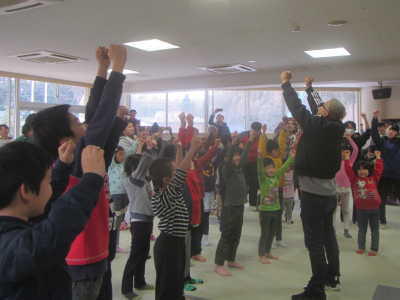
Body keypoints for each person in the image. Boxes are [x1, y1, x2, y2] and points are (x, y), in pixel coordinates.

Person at [0, 141, 106, 300]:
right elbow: (52, 234)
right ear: (26, 191)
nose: (51, 188)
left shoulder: (16, 222)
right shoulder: (13, 246)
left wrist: (62, 166)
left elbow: (42, 198)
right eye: (48, 181)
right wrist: (91, 180)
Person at [281, 72, 346, 300]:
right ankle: (332, 275)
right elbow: (318, 108)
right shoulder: (335, 127)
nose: (320, 106)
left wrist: (286, 84)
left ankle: (316, 289)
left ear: (326, 113)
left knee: (314, 242)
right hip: (328, 194)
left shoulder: (316, 126)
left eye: (323, 106)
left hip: (313, 195)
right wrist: (310, 89)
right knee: (328, 236)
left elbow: (296, 108)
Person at [150, 135, 202, 300]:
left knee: (175, 282)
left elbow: (178, 169)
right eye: (174, 173)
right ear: (167, 180)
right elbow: (181, 172)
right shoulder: (165, 195)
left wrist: (179, 149)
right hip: (168, 245)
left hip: (175, 243)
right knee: (168, 286)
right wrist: (192, 149)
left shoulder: (168, 190)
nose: (178, 173)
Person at [214, 132, 255, 277]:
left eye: (238, 155)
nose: (237, 157)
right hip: (229, 208)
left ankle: (231, 259)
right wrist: (233, 143)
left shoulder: (239, 169)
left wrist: (249, 142)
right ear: (229, 158)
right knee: (227, 234)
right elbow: (229, 159)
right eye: (234, 156)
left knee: (236, 234)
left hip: (239, 206)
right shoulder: (228, 170)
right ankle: (219, 264)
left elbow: (244, 158)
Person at [121, 137, 157, 299]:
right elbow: (146, 162)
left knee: (143, 253)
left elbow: (148, 164)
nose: (146, 169)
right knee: (136, 254)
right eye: (143, 167)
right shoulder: (133, 180)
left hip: (147, 220)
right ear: (136, 168)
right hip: (139, 222)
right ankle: (126, 288)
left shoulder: (143, 181)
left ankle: (140, 282)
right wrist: (148, 148)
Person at [257, 148, 295, 264]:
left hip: (276, 209)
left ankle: (268, 252)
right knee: (265, 233)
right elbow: (259, 170)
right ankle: (261, 254)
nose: (271, 170)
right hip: (265, 211)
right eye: (268, 168)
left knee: (272, 232)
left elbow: (283, 168)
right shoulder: (263, 179)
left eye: (272, 168)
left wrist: (291, 158)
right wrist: (259, 159)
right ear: (264, 170)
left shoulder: (276, 176)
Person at [344, 150, 383, 256]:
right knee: (362, 229)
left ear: (369, 170)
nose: (362, 171)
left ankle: (374, 248)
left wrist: (378, 158)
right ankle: (361, 247)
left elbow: (378, 170)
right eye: (359, 170)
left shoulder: (373, 178)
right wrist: (347, 158)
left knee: (375, 229)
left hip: (375, 208)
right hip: (361, 209)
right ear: (356, 171)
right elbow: (348, 170)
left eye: (365, 169)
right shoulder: (354, 179)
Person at [258, 124, 288, 247]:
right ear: (270, 151)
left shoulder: (279, 157)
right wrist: (263, 133)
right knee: (268, 218)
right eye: (275, 151)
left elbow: (281, 144)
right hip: (268, 191)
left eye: (277, 150)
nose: (277, 152)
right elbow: (262, 147)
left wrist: (282, 132)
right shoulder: (267, 158)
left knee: (278, 215)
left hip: (279, 189)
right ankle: (266, 239)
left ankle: (279, 239)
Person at [371, 111, 400, 223]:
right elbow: (374, 134)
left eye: (394, 130)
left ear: (397, 132)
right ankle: (382, 220)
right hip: (384, 174)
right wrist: (374, 119)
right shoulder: (382, 141)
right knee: (381, 199)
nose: (391, 132)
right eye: (390, 130)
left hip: (398, 175)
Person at [334, 135, 358, 238]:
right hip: (335, 188)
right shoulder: (335, 161)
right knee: (333, 209)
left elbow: (356, 150)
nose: (344, 153)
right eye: (343, 151)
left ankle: (346, 229)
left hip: (347, 189)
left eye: (347, 151)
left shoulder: (350, 161)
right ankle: (332, 229)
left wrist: (349, 138)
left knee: (346, 210)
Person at [108, 146, 129, 253]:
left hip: (124, 195)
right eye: (120, 154)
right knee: (113, 221)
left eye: (123, 154)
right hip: (114, 195)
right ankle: (112, 244)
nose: (122, 156)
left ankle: (116, 244)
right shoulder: (111, 165)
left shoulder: (124, 165)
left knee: (119, 221)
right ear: (114, 154)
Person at [241, 122, 262, 207]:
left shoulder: (262, 138)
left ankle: (252, 202)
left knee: (254, 183)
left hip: (255, 163)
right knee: (245, 182)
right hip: (245, 163)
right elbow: (242, 149)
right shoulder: (245, 137)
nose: (255, 133)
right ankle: (242, 200)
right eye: (254, 131)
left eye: (257, 131)